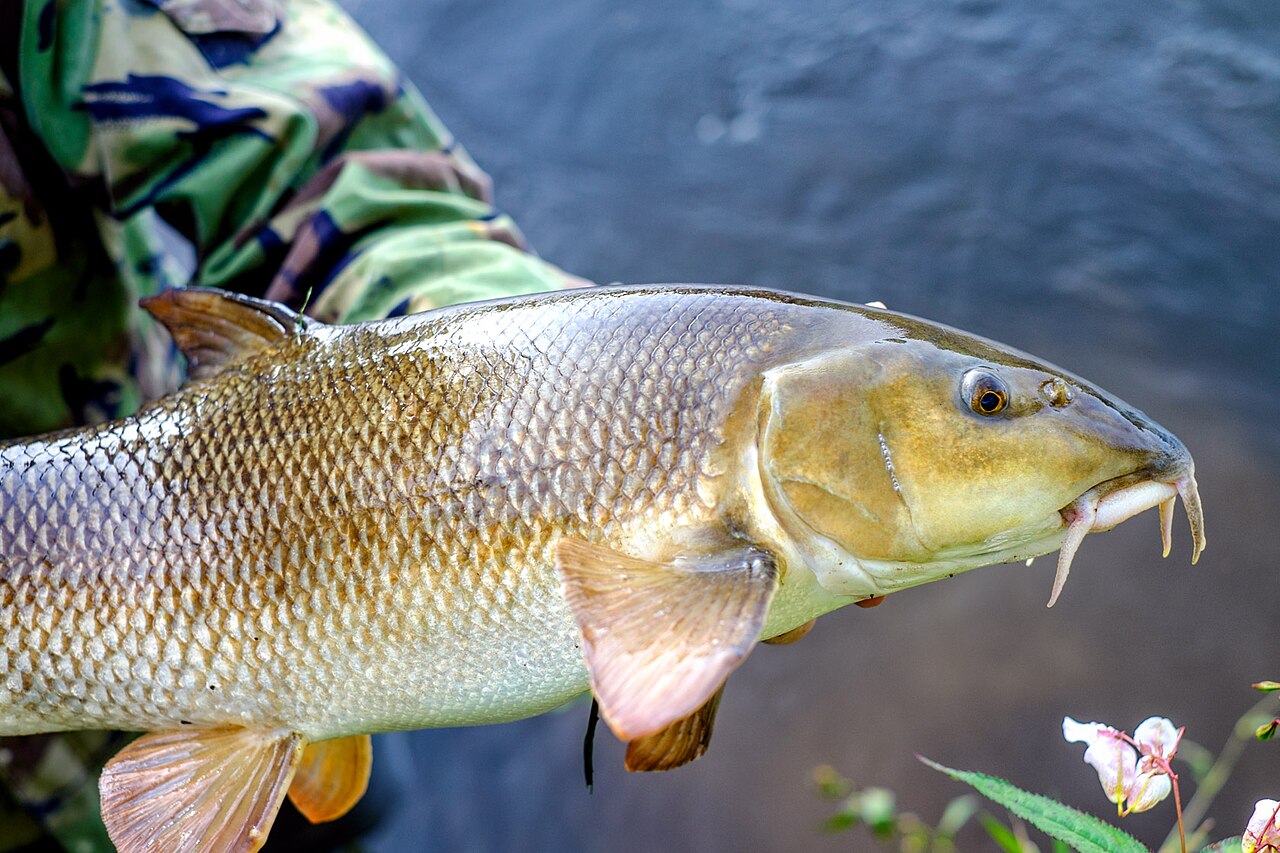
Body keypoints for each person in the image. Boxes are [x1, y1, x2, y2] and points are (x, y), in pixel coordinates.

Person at [0, 0, 586, 847]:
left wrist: (540, 389)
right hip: (177, 601)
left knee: (347, 799)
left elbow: (322, 162)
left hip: (260, 550)